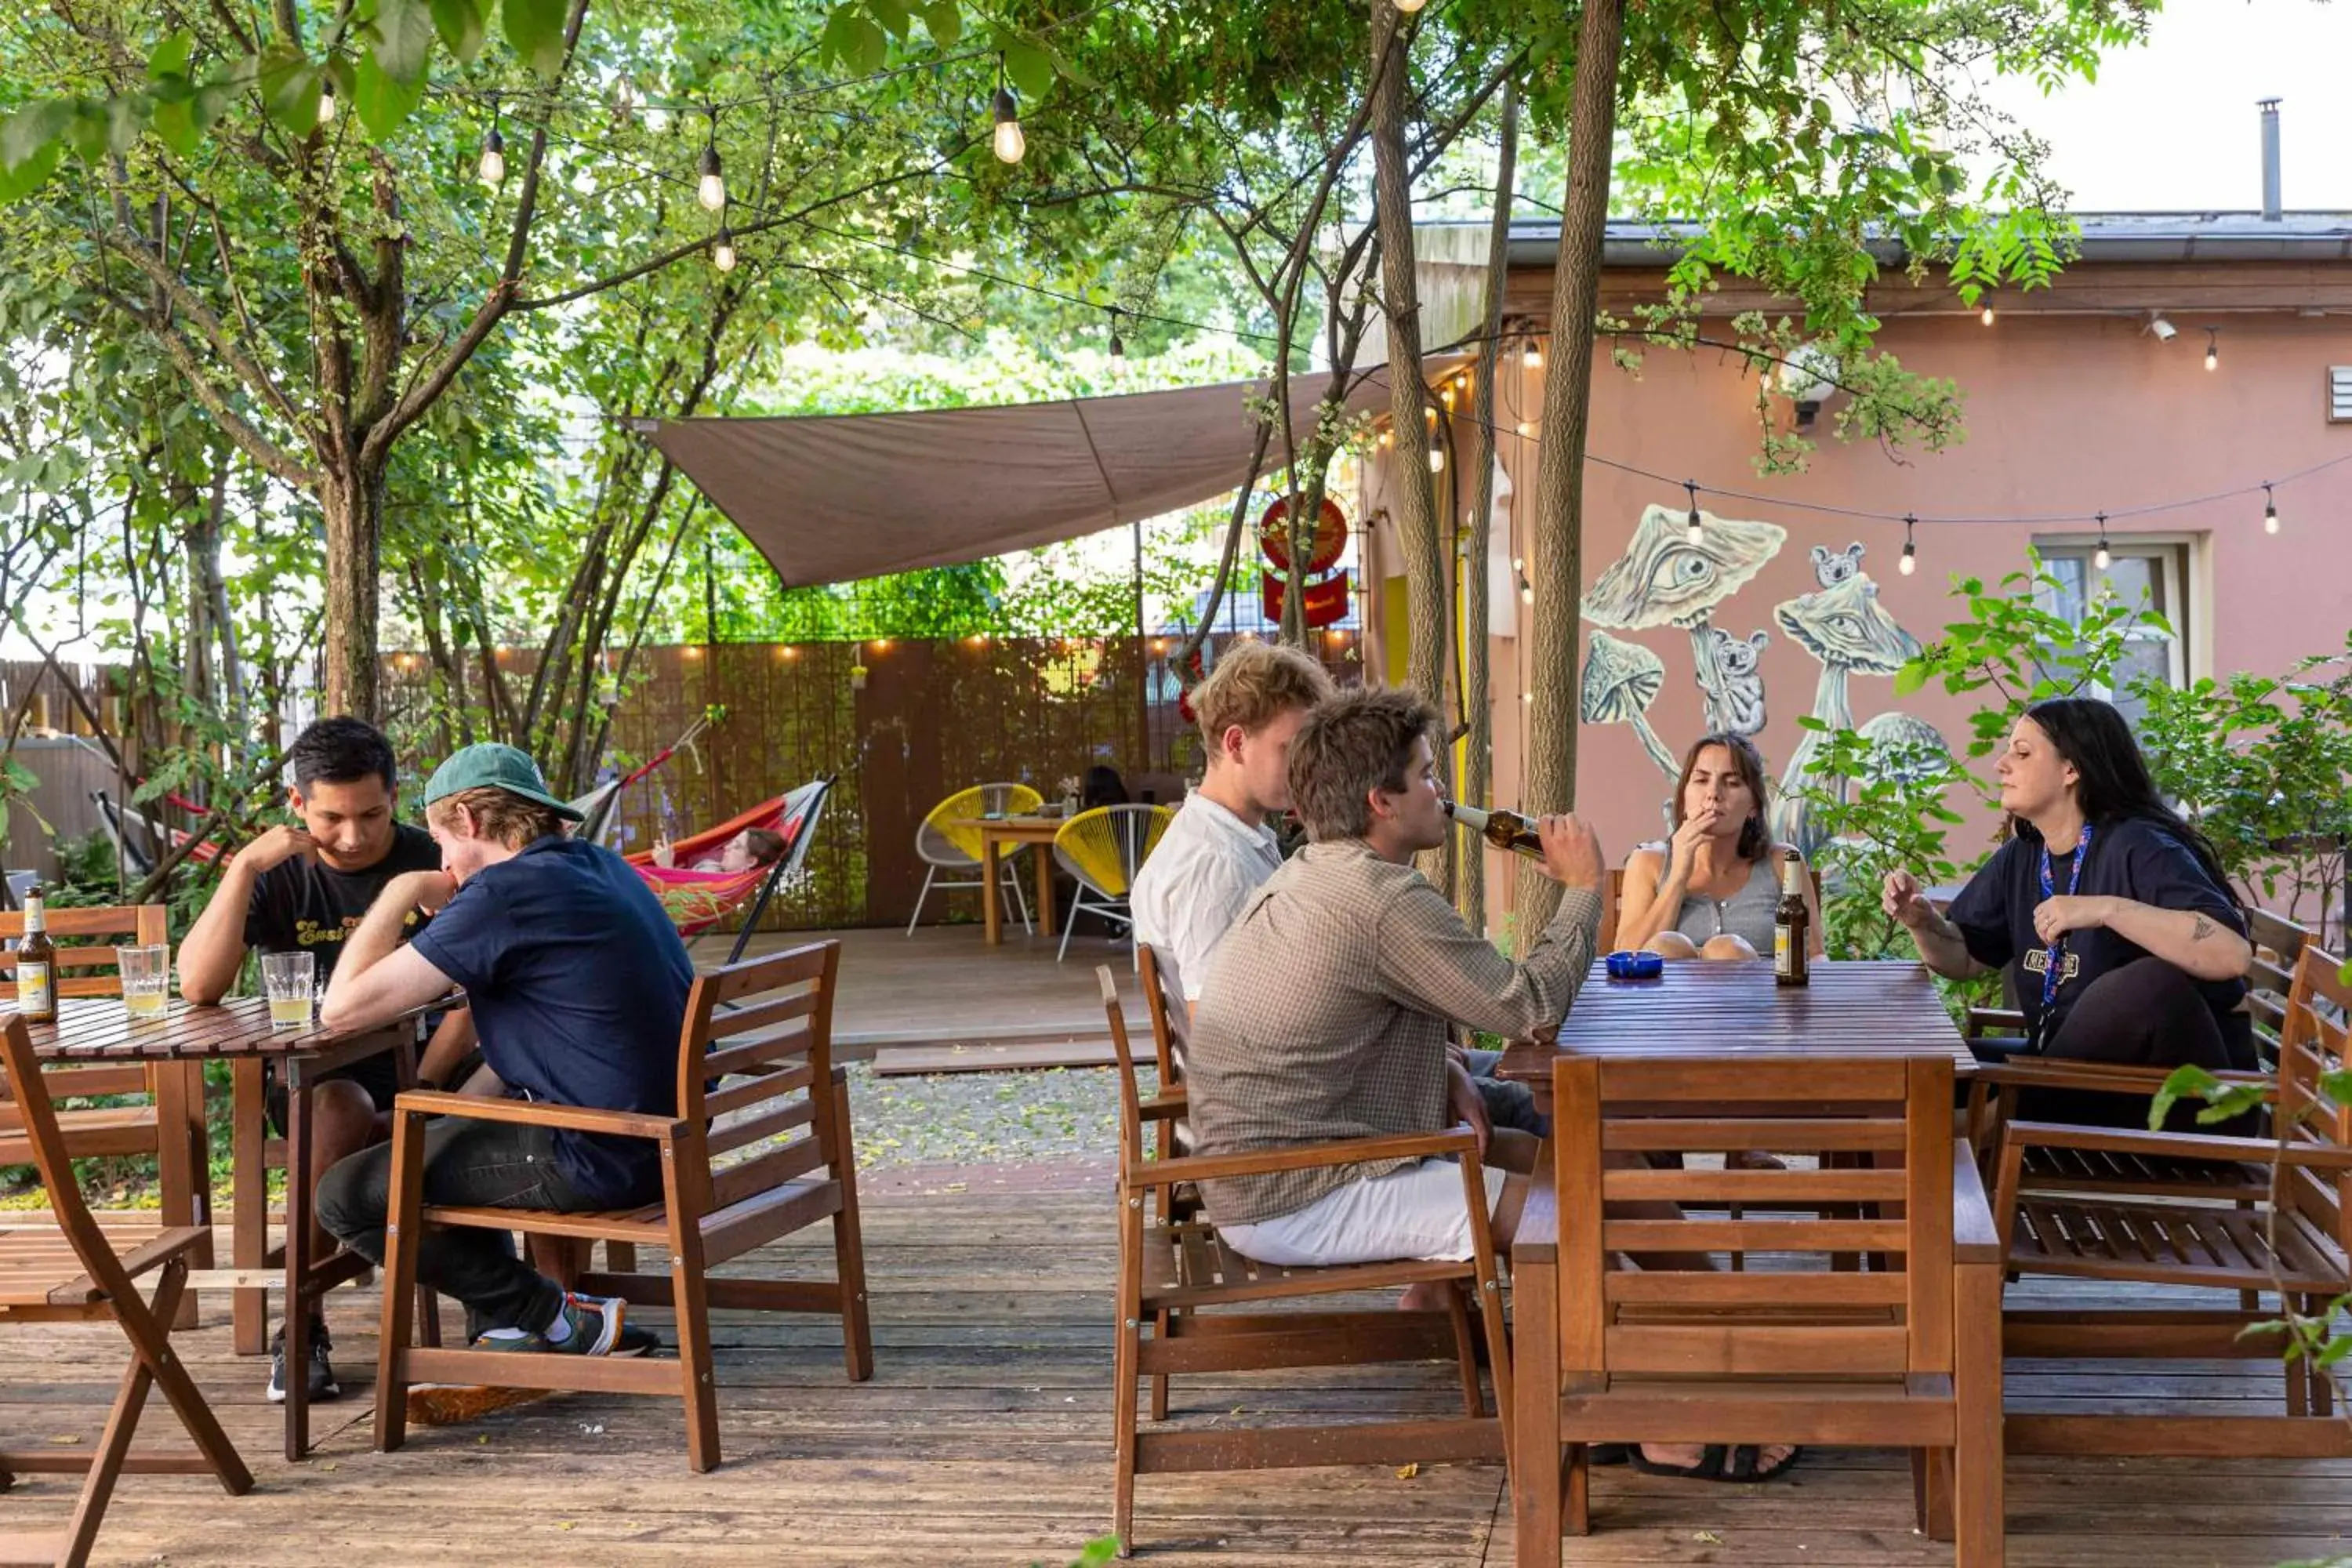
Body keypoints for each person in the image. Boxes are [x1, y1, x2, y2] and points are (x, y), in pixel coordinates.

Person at [1185, 688, 1796, 1485]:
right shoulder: (1379, 896)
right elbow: (1529, 1006)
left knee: (1571, 1165)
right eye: (1429, 775)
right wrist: (1582, 888)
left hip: (1313, 1154)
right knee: (1566, 1214)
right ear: (1382, 800)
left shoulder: (1322, 873)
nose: (1444, 791)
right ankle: (1658, 1423)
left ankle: (1726, 1336)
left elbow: (1349, 1021)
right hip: (1298, 1187)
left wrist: (1442, 1067)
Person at [315, 742, 691, 1402]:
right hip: (664, 1137)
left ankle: (554, 1316)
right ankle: (517, 1329)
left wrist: (401, 888)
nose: (442, 864)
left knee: (346, 1195)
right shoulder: (596, 865)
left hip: (600, 1152)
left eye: (439, 842)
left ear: (469, 819)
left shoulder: (504, 893)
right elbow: (543, 1035)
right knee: (434, 1141)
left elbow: (341, 1010)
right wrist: (441, 1106)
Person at [176, 716, 474, 1406]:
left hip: (429, 1064)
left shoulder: (429, 862)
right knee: (338, 1105)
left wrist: (425, 1085)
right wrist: (246, 866)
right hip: (317, 1074)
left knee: (476, 1100)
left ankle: (501, 1312)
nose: (354, 836)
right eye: (332, 817)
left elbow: (475, 996)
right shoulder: (275, 873)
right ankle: (303, 1322)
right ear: (297, 805)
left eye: (372, 814)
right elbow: (197, 986)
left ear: (395, 796)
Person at [1883, 696, 2255, 1125]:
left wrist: (2107, 909)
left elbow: (2232, 954)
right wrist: (1922, 922)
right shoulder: (2024, 855)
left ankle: (1994, 1123)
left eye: (2022, 753)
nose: (2001, 764)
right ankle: (1977, 1127)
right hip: (2069, 1080)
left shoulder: (2139, 846)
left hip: (2177, 1105)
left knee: (2151, 982)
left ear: (2071, 770)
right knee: (1917, 1074)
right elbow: (1964, 957)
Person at [1130, 640, 1333, 1011]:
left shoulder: (1228, 839)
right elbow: (1217, 1037)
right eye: (1291, 750)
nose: (1307, 768)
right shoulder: (1216, 866)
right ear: (1237, 742)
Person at [1617, 732, 1824, 962]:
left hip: (1759, 995)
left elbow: (1815, 956)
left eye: (1732, 783)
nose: (1713, 794)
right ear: (1684, 796)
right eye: (1701, 780)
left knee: (1727, 951)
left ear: (1754, 805)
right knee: (1666, 946)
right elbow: (1628, 958)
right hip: (1669, 997)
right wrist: (1678, 876)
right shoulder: (1648, 862)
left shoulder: (1783, 862)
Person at [652, 825, 785, 874]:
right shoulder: (717, 869)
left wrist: (666, 869)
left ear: (750, 861)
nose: (726, 847)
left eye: (736, 846)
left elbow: (679, 906)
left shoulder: (719, 882)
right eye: (731, 843)